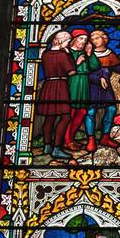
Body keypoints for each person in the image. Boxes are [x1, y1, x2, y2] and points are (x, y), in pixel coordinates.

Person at [35, 31, 75, 159]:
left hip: (48, 86)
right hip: (60, 85)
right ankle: (57, 148)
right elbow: (72, 71)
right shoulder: (63, 55)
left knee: (50, 117)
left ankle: (47, 146)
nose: (69, 44)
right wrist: (69, 55)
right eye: (68, 41)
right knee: (65, 117)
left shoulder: (45, 54)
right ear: (62, 41)